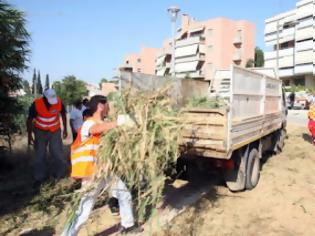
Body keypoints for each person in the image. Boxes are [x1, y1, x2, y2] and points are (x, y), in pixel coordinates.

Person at [62, 95, 142, 236]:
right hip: (91, 174)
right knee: (84, 211)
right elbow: (96, 129)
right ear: (100, 106)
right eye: (107, 105)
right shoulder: (89, 123)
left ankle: (128, 225)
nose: (109, 108)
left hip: (105, 170)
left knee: (124, 194)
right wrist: (118, 123)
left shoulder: (103, 123)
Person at [27, 88, 68, 183]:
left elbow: (63, 115)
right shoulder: (36, 104)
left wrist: (65, 129)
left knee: (57, 152)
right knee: (40, 154)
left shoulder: (58, 102)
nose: (52, 102)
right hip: (40, 131)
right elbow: (29, 120)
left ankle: (60, 175)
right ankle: (39, 177)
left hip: (55, 130)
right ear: (44, 98)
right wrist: (30, 135)